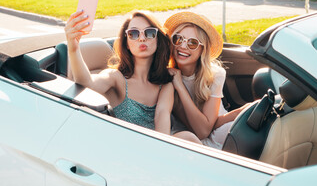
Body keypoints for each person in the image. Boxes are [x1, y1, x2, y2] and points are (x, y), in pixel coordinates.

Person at [64, 10, 174, 134]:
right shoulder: (116, 77)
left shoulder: (165, 85)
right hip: (121, 147)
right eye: (134, 34)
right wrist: (74, 49)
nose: (142, 38)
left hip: (157, 145)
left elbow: (162, 120)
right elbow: (87, 85)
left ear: (158, 40)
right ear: (126, 43)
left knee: (187, 136)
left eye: (149, 33)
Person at [164, 12, 251, 149]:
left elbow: (209, 126)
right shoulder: (168, 78)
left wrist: (238, 113)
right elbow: (201, 131)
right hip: (192, 139)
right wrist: (180, 87)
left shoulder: (215, 74)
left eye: (192, 43)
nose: (183, 46)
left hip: (218, 133)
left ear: (202, 50)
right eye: (178, 39)